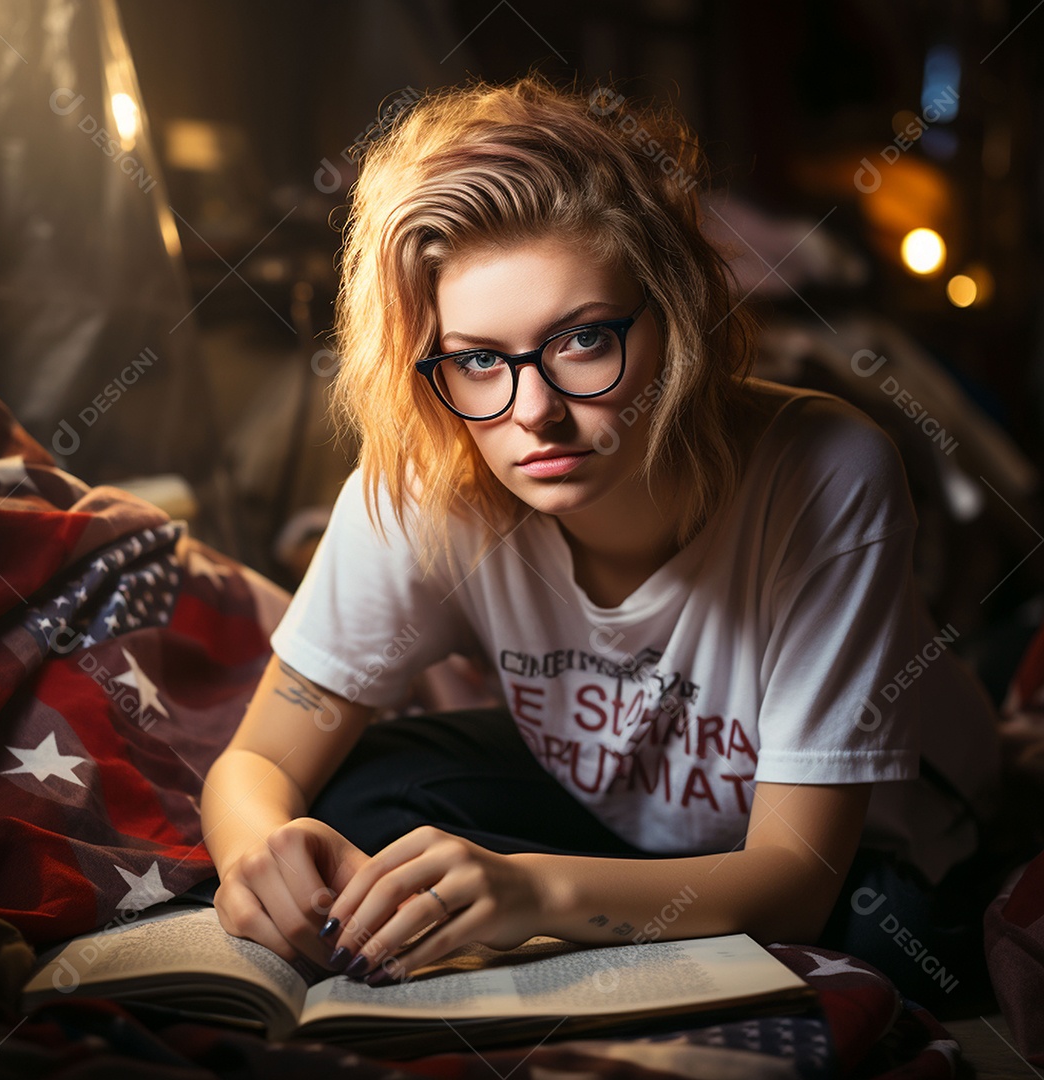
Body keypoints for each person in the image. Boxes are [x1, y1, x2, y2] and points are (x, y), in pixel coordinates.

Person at [200, 73, 1002, 1007]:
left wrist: (534, 892)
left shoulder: (827, 470)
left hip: (860, 846)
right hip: (618, 823)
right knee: (359, 808)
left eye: (583, 341)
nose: (533, 413)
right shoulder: (424, 482)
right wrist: (260, 857)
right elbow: (256, 764)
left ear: (676, 323)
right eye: (478, 359)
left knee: (885, 946)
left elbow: (796, 877)